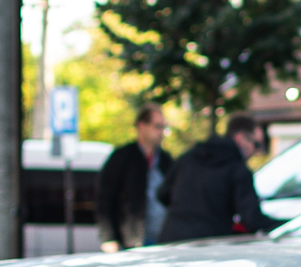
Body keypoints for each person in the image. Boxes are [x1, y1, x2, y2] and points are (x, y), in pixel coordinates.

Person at [154, 112, 282, 243]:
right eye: (256, 144)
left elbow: (162, 193)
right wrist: (287, 225)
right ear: (241, 138)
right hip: (208, 244)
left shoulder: (189, 157)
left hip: (170, 240)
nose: (257, 151)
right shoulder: (237, 170)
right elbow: (252, 219)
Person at [96, 103, 171, 251]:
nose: (161, 132)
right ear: (142, 126)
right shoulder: (122, 157)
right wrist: (109, 238)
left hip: (162, 241)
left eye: (163, 127)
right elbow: (104, 199)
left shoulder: (166, 160)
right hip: (131, 242)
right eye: (157, 126)